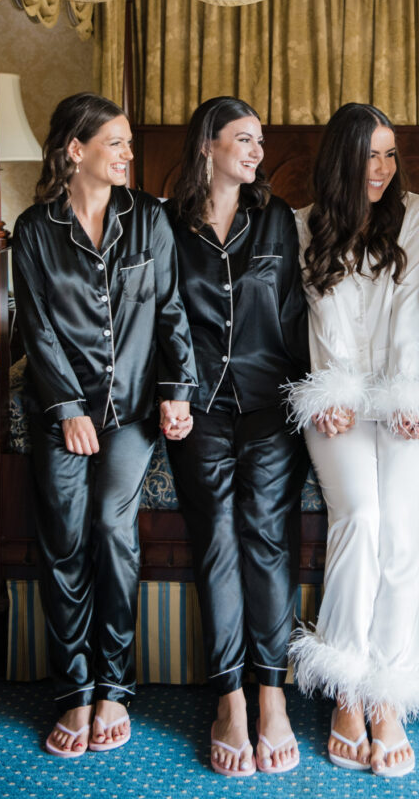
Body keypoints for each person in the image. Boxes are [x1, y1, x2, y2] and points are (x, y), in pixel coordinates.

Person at [12, 93, 197, 757]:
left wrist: (178, 391)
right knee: (61, 535)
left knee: (109, 523)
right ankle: (75, 691)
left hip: (134, 411)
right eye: (114, 143)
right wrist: (65, 408)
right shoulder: (33, 230)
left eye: (126, 142)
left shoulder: (150, 218)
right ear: (75, 150)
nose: (127, 154)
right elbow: (36, 326)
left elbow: (171, 310)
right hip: (61, 408)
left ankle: (114, 686)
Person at [286, 102, 419, 778]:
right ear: (340, 161)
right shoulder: (301, 225)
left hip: (404, 389)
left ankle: (388, 689)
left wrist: (412, 397)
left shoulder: (418, 214)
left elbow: (408, 311)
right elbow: (321, 317)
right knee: (361, 514)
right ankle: (347, 686)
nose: (381, 170)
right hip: (337, 400)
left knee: (406, 528)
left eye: (389, 155)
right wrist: (331, 392)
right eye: (368, 157)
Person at [164, 97, 310, 777]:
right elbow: (161, 318)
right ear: (206, 146)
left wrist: (312, 398)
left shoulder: (275, 218)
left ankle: (272, 694)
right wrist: (175, 391)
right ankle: (228, 698)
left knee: (267, 532)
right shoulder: (166, 224)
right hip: (197, 407)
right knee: (216, 534)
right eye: (242, 139)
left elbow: (293, 315)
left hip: (268, 400)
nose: (255, 151)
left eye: (258, 140)